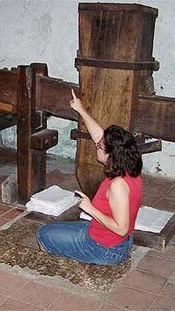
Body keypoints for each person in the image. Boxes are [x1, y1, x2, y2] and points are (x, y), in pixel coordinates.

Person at [37, 89, 143, 265]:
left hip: (106, 249)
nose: (96, 146)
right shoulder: (129, 168)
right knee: (52, 227)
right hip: (107, 238)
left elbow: (122, 228)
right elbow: (99, 136)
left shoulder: (118, 185)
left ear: (111, 154)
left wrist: (90, 208)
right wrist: (80, 109)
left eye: (100, 147)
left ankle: (55, 269)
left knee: (43, 234)